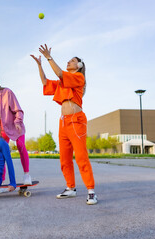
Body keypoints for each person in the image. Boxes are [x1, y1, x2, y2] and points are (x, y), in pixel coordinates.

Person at [30, 44, 98, 205]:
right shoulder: (63, 82)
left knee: (81, 157)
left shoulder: (79, 78)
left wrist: (48, 58)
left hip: (76, 121)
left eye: (72, 61)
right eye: (68, 60)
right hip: (63, 122)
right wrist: (40, 65)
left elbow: (60, 72)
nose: (69, 62)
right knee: (64, 159)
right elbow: (45, 82)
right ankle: (70, 188)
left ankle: (91, 191)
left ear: (79, 66)